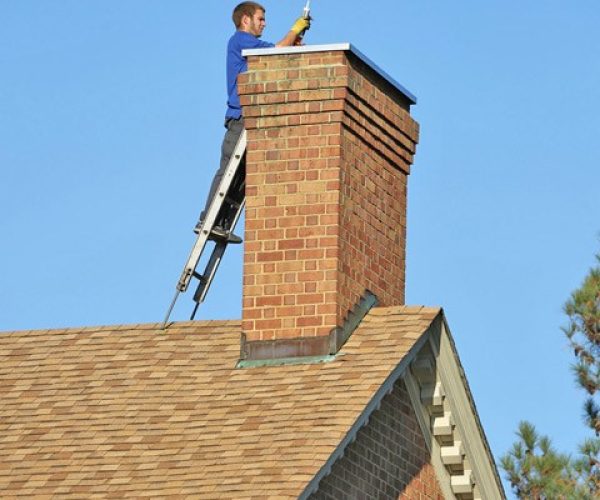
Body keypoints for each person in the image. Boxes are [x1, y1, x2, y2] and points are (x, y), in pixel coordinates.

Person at [195, 2, 311, 240]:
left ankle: (223, 222)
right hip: (240, 117)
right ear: (245, 20)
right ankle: (209, 218)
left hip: (253, 116)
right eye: (260, 19)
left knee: (244, 174)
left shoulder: (253, 47)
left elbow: (274, 57)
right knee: (229, 168)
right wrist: (295, 28)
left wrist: (294, 42)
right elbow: (275, 49)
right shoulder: (239, 40)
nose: (264, 23)